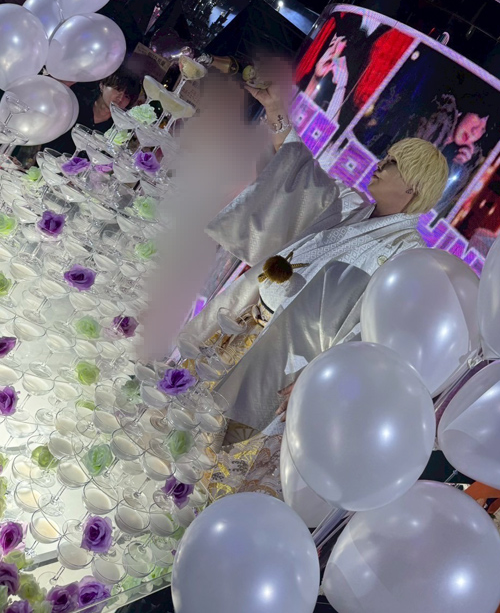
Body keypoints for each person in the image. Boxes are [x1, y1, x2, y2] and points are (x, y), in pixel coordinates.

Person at [182, 81, 448, 496]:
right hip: (245, 322)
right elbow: (299, 175)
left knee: (221, 454)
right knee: (185, 412)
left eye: (392, 162)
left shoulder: (406, 259)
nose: (380, 163)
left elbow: (374, 335)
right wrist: (276, 112)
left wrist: (322, 379)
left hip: (287, 363)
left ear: (412, 186)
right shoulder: (349, 206)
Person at [12, 68, 142, 166]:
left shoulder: (118, 130)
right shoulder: (75, 101)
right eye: (117, 89)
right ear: (102, 85)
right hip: (38, 162)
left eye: (127, 96)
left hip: (70, 180)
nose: (120, 98)